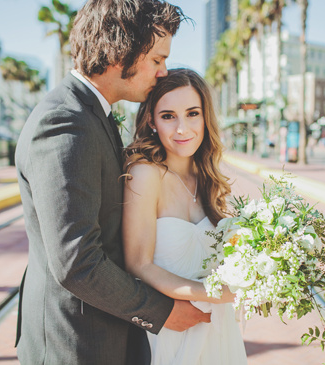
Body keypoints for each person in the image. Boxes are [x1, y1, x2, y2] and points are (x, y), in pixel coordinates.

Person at [13, 2, 210, 364]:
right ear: (122, 51)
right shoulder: (65, 123)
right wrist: (161, 311)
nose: (162, 71)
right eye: (156, 59)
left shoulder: (91, 114)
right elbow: (77, 262)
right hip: (76, 344)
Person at [122, 68, 248, 364]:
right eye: (168, 116)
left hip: (218, 328)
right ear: (151, 120)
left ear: (206, 118)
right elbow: (138, 264)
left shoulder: (206, 178)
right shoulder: (144, 175)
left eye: (193, 113)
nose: (182, 128)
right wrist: (215, 293)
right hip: (170, 332)